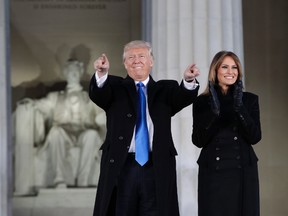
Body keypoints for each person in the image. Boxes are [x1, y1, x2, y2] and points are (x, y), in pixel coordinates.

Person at [89, 40, 200, 216]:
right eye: (131, 57)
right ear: (125, 63)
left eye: (141, 56)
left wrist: (188, 80)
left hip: (156, 166)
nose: (136, 60)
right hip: (122, 166)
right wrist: (101, 73)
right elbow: (99, 94)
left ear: (151, 61)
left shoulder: (166, 89)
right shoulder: (114, 86)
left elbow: (183, 97)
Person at [14, 59, 106, 193]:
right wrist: (30, 103)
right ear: (66, 74)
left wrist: (103, 117)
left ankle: (83, 179)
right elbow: (41, 105)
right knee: (55, 132)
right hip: (63, 132)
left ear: (80, 74)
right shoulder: (55, 97)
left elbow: (103, 112)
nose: (73, 74)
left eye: (75, 71)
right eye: (70, 71)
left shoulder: (90, 97)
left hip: (84, 132)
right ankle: (59, 178)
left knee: (92, 135)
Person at [192, 51, 262, 216]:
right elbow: (198, 140)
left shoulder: (250, 100)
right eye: (225, 67)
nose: (231, 71)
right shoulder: (202, 102)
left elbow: (255, 137)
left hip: (243, 171)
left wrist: (240, 108)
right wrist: (213, 114)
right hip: (213, 174)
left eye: (234, 67)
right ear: (215, 71)